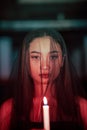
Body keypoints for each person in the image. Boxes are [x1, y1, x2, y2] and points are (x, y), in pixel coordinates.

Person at [0, 28, 87, 130]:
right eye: (36, 57)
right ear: (26, 61)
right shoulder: (9, 110)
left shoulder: (81, 108)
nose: (45, 66)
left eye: (53, 57)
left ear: (62, 61)